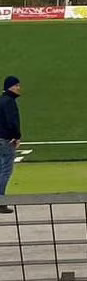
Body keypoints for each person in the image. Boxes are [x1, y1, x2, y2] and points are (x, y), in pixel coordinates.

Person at [0, 76, 21, 213]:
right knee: (5, 171)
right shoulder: (9, 102)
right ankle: (1, 202)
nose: (19, 88)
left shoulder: (1, 100)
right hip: (6, 140)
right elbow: (11, 121)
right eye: (17, 85)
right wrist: (16, 136)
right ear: (10, 87)